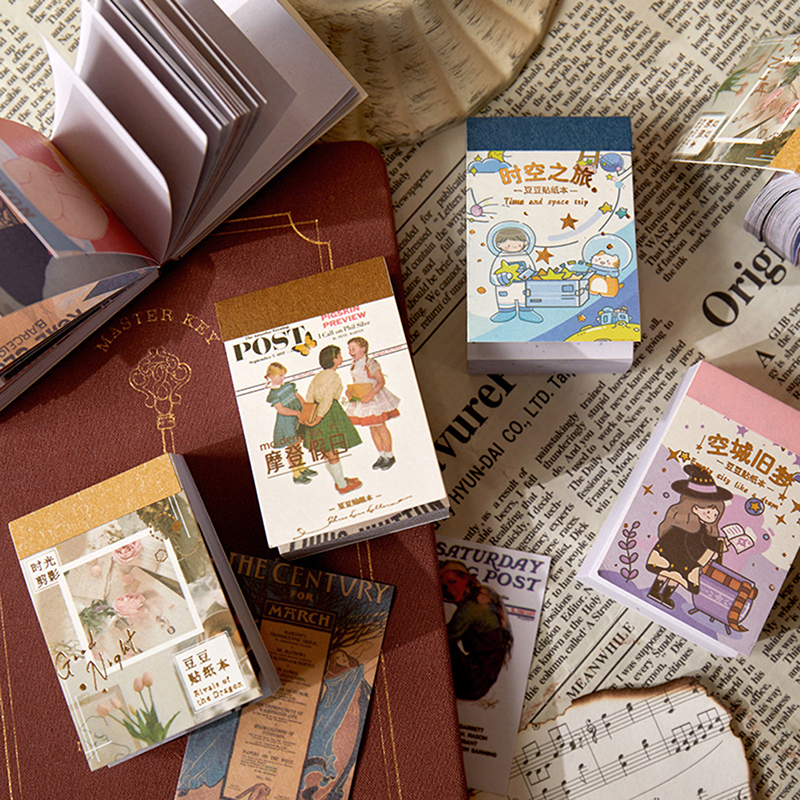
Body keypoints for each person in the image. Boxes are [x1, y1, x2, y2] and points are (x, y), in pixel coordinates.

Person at [645, 463, 732, 610]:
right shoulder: (682, 527)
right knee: (666, 572)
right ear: (695, 508)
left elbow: (708, 543)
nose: (713, 516)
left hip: (688, 560)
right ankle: (654, 591)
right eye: (708, 512)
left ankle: (666, 596)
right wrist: (713, 549)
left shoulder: (704, 529)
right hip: (674, 554)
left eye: (716, 513)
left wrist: (720, 545)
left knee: (678, 577)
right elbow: (704, 544)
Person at [300, 649, 369, 799]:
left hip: (356, 716)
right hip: (338, 717)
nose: (342, 658)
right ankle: (315, 787)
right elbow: (335, 699)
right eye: (338, 658)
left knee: (349, 755)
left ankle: (331, 789)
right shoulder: (336, 677)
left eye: (343, 655)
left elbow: (366, 690)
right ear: (334, 662)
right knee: (330, 749)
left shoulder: (355, 672)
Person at [439, 560, 513, 701]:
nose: (449, 590)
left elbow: (444, 638)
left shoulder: (469, 609)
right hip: (483, 678)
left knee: (441, 643)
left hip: (472, 684)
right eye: (444, 587)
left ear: (466, 578)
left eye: (453, 582)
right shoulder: (485, 593)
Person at [303, 345, 362, 494]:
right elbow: (328, 398)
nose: (342, 357)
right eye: (339, 355)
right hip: (328, 413)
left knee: (327, 449)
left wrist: (310, 415)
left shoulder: (319, 375)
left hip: (317, 410)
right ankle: (342, 485)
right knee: (331, 449)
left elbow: (309, 395)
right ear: (334, 359)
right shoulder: (333, 376)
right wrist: (319, 417)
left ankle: (339, 479)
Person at [344, 336, 400, 470]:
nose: (351, 352)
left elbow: (381, 381)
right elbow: (356, 382)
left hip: (374, 398)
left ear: (363, 349)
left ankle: (390, 455)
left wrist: (370, 395)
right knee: (372, 428)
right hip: (362, 398)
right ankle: (382, 455)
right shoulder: (353, 364)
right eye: (349, 349)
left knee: (380, 426)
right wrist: (349, 392)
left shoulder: (370, 363)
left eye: (353, 349)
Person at [265, 362, 316, 484]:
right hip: (287, 422)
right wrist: (296, 413)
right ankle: (296, 474)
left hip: (298, 418)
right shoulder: (273, 394)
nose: (282, 378)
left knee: (297, 443)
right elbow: (281, 409)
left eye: (283, 375)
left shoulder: (288, 386)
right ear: (270, 377)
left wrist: (304, 409)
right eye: (279, 376)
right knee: (292, 447)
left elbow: (299, 397)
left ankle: (301, 467)